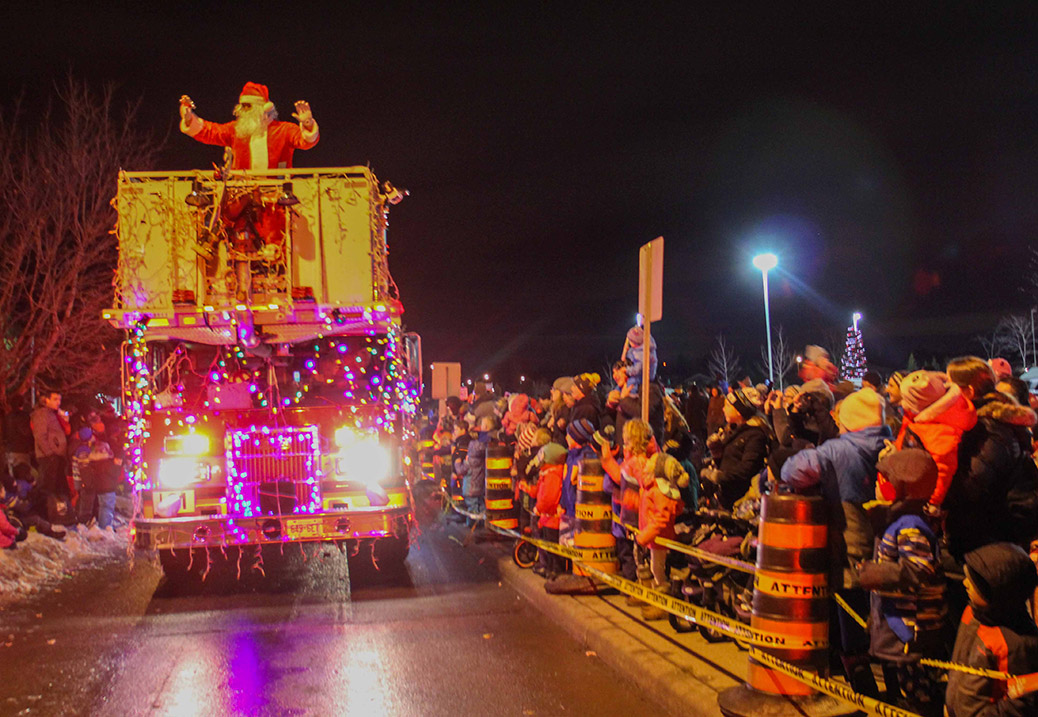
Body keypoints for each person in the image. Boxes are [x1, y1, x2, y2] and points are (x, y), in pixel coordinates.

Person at [780, 387, 891, 695]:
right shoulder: (892, 443)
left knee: (851, 631)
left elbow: (792, 471)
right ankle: (896, 695)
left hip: (850, 553)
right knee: (887, 629)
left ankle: (865, 696)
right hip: (890, 553)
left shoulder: (838, 451)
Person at [859, 449, 946, 714]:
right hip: (897, 617)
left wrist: (875, 574)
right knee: (904, 674)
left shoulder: (910, 524)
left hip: (910, 623)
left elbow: (918, 569)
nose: (876, 484)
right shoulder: (897, 519)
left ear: (902, 487)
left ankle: (920, 707)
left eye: (883, 480)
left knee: (916, 680)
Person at [945, 356, 1038, 561]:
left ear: (969, 391)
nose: (945, 392)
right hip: (992, 532)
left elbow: (973, 487)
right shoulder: (984, 420)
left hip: (991, 538)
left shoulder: (988, 428)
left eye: (950, 386)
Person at [945, 542, 1038, 716]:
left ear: (997, 593)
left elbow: (1020, 705)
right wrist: (951, 705)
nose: (965, 583)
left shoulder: (1017, 644)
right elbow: (960, 662)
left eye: (973, 582)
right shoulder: (972, 613)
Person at [179, 82, 319, 170]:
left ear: (262, 108)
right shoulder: (236, 130)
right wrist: (190, 119)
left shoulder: (283, 130)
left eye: (248, 106)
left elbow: (306, 142)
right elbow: (210, 132)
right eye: (242, 106)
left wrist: (308, 124)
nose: (243, 110)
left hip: (275, 196)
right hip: (242, 195)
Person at [895, 370, 977, 512]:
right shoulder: (926, 420)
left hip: (922, 498)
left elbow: (944, 468)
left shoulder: (939, 429)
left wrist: (934, 500)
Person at [600, 418, 654, 588]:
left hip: (631, 513)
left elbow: (618, 477)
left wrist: (607, 460)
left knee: (629, 554)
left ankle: (631, 586)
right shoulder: (649, 459)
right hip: (641, 514)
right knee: (640, 554)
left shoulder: (634, 463)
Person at [635, 452, 687, 620]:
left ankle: (662, 604)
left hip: (658, 538)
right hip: (653, 538)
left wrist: (644, 537)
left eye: (652, 461)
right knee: (653, 568)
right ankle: (654, 599)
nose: (648, 462)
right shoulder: (654, 487)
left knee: (658, 571)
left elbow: (661, 520)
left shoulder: (662, 492)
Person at [702, 387, 770, 510]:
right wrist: (717, 455)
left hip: (742, 500)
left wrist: (720, 476)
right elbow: (730, 461)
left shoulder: (755, 435)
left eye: (728, 406)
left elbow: (747, 469)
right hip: (727, 495)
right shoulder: (733, 431)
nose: (723, 409)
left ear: (739, 411)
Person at [31, 390, 69, 522]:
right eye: (55, 399)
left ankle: (52, 514)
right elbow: (40, 436)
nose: (58, 402)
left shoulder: (52, 414)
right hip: (48, 456)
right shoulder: (42, 414)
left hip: (55, 455)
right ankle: (41, 515)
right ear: (46, 399)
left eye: (59, 399)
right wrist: (49, 453)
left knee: (53, 487)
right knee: (45, 487)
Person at [533, 443, 568, 579]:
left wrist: (538, 508)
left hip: (552, 518)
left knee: (553, 545)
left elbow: (549, 497)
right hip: (547, 517)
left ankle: (556, 569)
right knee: (548, 543)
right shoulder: (547, 473)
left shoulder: (553, 475)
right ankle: (549, 567)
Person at [3, 394, 33, 474]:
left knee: (13, 475)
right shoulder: (24, 416)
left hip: (9, 450)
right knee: (23, 475)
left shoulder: (8, 417)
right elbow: (26, 432)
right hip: (21, 450)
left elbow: (4, 433)